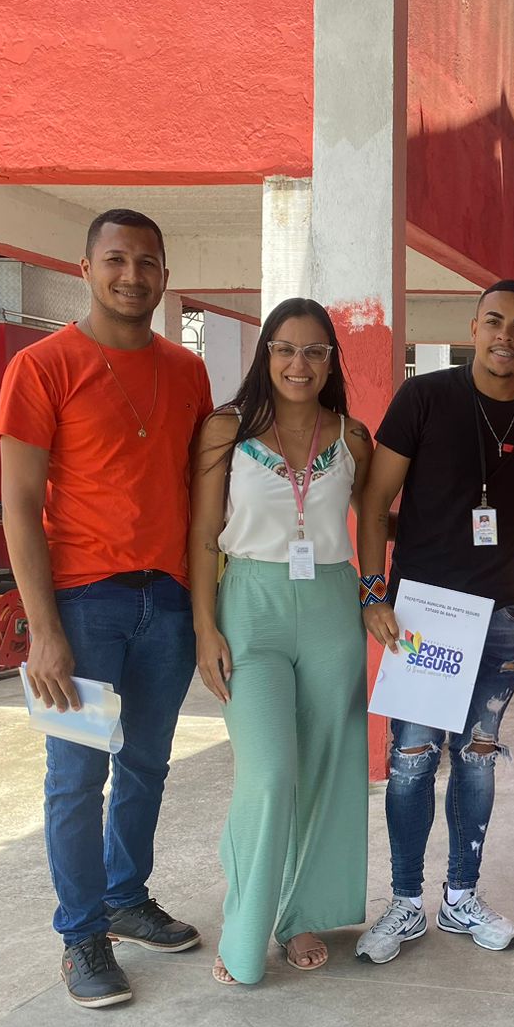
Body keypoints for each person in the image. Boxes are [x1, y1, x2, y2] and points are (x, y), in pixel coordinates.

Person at [0, 209, 211, 1008]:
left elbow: (197, 491)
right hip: (83, 607)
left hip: (169, 604)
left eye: (147, 262)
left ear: (165, 275)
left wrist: (204, 608)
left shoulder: (187, 372)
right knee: (77, 775)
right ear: (85, 269)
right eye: (116, 260)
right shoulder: (42, 366)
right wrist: (43, 630)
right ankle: (82, 934)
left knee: (147, 765)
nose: (132, 275)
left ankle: (126, 897)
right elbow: (20, 506)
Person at [355, 280, 514, 963]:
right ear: (474, 328)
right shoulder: (424, 397)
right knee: (412, 760)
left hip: (500, 614)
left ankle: (460, 896)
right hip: (423, 613)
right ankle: (405, 902)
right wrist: (373, 592)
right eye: (494, 321)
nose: (507, 336)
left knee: (477, 758)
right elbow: (375, 499)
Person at [188, 298, 377, 985]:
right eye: (286, 349)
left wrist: (376, 590)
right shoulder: (226, 429)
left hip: (331, 605)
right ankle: (246, 929)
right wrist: (204, 627)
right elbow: (202, 537)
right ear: (266, 354)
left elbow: (375, 517)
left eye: (316, 351)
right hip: (251, 606)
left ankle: (302, 916)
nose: (300, 363)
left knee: (327, 771)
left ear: (331, 361)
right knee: (268, 775)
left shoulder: (352, 436)